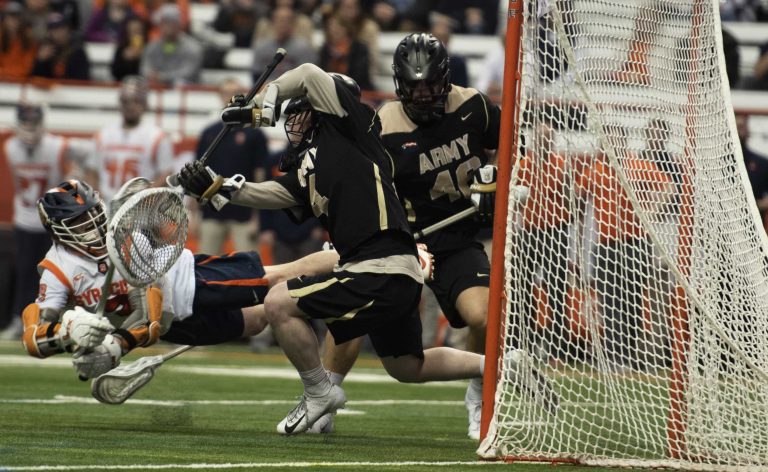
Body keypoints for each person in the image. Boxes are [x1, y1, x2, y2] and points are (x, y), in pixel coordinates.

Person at [173, 63, 490, 436]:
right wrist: (216, 186)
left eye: (302, 111)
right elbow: (277, 193)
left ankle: (319, 393)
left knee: (277, 303)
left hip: (378, 264)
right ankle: (497, 365)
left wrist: (265, 102)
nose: (294, 122)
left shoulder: (350, 128)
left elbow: (307, 71)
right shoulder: (316, 160)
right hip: (389, 270)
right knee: (407, 367)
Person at [310, 33, 503, 439]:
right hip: (401, 242)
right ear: (400, 84)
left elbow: (512, 145)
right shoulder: (384, 126)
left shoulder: (473, 107)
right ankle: (323, 399)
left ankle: (480, 396)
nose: (424, 93)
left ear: (445, 79)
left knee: (484, 316)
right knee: (354, 311)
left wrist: (495, 177)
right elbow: (363, 186)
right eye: (414, 86)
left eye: (431, 84)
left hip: (456, 238)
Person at [21, 178, 341, 380]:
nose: (92, 226)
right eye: (80, 221)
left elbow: (150, 313)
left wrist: (114, 346)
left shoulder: (122, 236)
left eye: (93, 215)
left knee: (279, 275)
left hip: (189, 283)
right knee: (257, 321)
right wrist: (68, 334)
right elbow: (34, 337)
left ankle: (349, 259)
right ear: (57, 231)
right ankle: (319, 294)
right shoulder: (58, 268)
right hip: (179, 323)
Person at [0, 103, 92, 341]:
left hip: (51, 220)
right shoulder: (11, 148)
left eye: (34, 123)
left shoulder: (56, 145)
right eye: (26, 123)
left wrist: (75, 174)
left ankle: (54, 319)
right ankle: (19, 320)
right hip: (25, 218)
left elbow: (88, 151)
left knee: (56, 272)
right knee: (24, 273)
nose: (30, 129)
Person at [194, 77, 268, 255]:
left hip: (243, 212)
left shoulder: (254, 134)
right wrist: (195, 215)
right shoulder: (209, 133)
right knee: (205, 265)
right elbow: (197, 174)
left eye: (234, 93)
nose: (229, 97)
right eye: (226, 93)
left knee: (248, 267)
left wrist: (257, 218)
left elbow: (261, 176)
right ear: (220, 96)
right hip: (211, 211)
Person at [85, 75, 174, 203]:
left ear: (145, 104)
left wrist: (143, 199)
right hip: (107, 203)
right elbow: (91, 171)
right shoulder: (103, 135)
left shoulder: (158, 137)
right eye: (126, 101)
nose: (130, 106)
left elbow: (166, 174)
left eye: (136, 101)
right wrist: (97, 199)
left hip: (140, 210)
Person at [140, 3, 202, 86]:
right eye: (164, 22)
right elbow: (144, 68)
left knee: (180, 83)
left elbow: (189, 72)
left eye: (170, 22)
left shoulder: (192, 47)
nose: (167, 26)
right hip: (157, 88)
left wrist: (164, 77)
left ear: (178, 24)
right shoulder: (152, 46)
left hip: (187, 93)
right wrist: (152, 75)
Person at [30, 12, 90, 81]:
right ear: (49, 33)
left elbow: (82, 79)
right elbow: (36, 79)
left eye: (61, 28)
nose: (58, 33)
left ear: (68, 29)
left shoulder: (78, 52)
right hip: (49, 90)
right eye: (54, 30)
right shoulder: (47, 51)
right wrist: (40, 61)